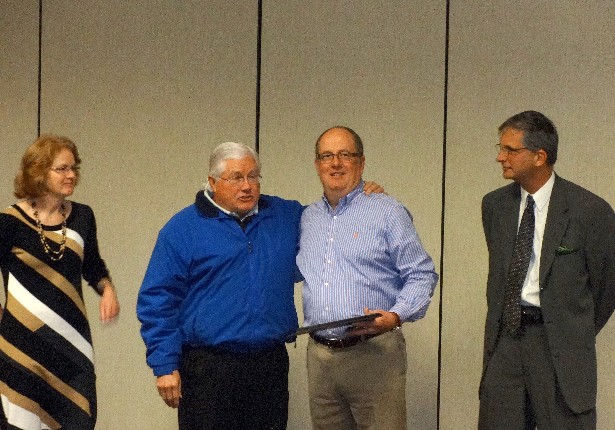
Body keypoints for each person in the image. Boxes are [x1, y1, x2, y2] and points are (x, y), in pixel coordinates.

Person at [136, 141, 383, 430]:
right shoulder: (183, 228)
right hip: (207, 368)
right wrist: (165, 365)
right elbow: (157, 300)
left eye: (253, 176)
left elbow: (332, 220)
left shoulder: (284, 215)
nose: (247, 186)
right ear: (213, 182)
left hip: (268, 364)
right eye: (236, 177)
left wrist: (360, 195)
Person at [479, 110, 615, 429]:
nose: (501, 157)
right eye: (500, 148)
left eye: (511, 150)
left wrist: (571, 327)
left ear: (540, 156)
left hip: (559, 348)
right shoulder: (494, 206)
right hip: (506, 342)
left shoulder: (590, 211)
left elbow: (607, 288)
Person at [296, 126, 439, 430]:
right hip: (320, 358)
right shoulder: (307, 218)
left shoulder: (387, 211)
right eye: (327, 156)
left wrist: (397, 315)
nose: (335, 163)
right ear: (317, 164)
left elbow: (421, 273)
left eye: (345, 155)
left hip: (373, 354)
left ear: (361, 163)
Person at [0, 134, 120, 430]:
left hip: (72, 346)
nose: (72, 175)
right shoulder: (9, 221)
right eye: (63, 169)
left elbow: (93, 266)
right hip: (21, 348)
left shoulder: (82, 217)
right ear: (39, 172)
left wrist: (108, 290)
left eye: (74, 168)